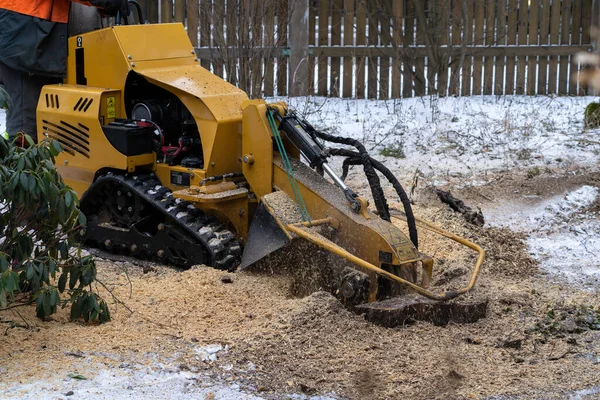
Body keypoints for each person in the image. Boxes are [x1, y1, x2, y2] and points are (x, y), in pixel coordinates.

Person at [0, 0, 127, 144]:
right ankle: (21, 165)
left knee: (48, 126)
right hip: (24, 39)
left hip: (34, 37)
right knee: (25, 130)